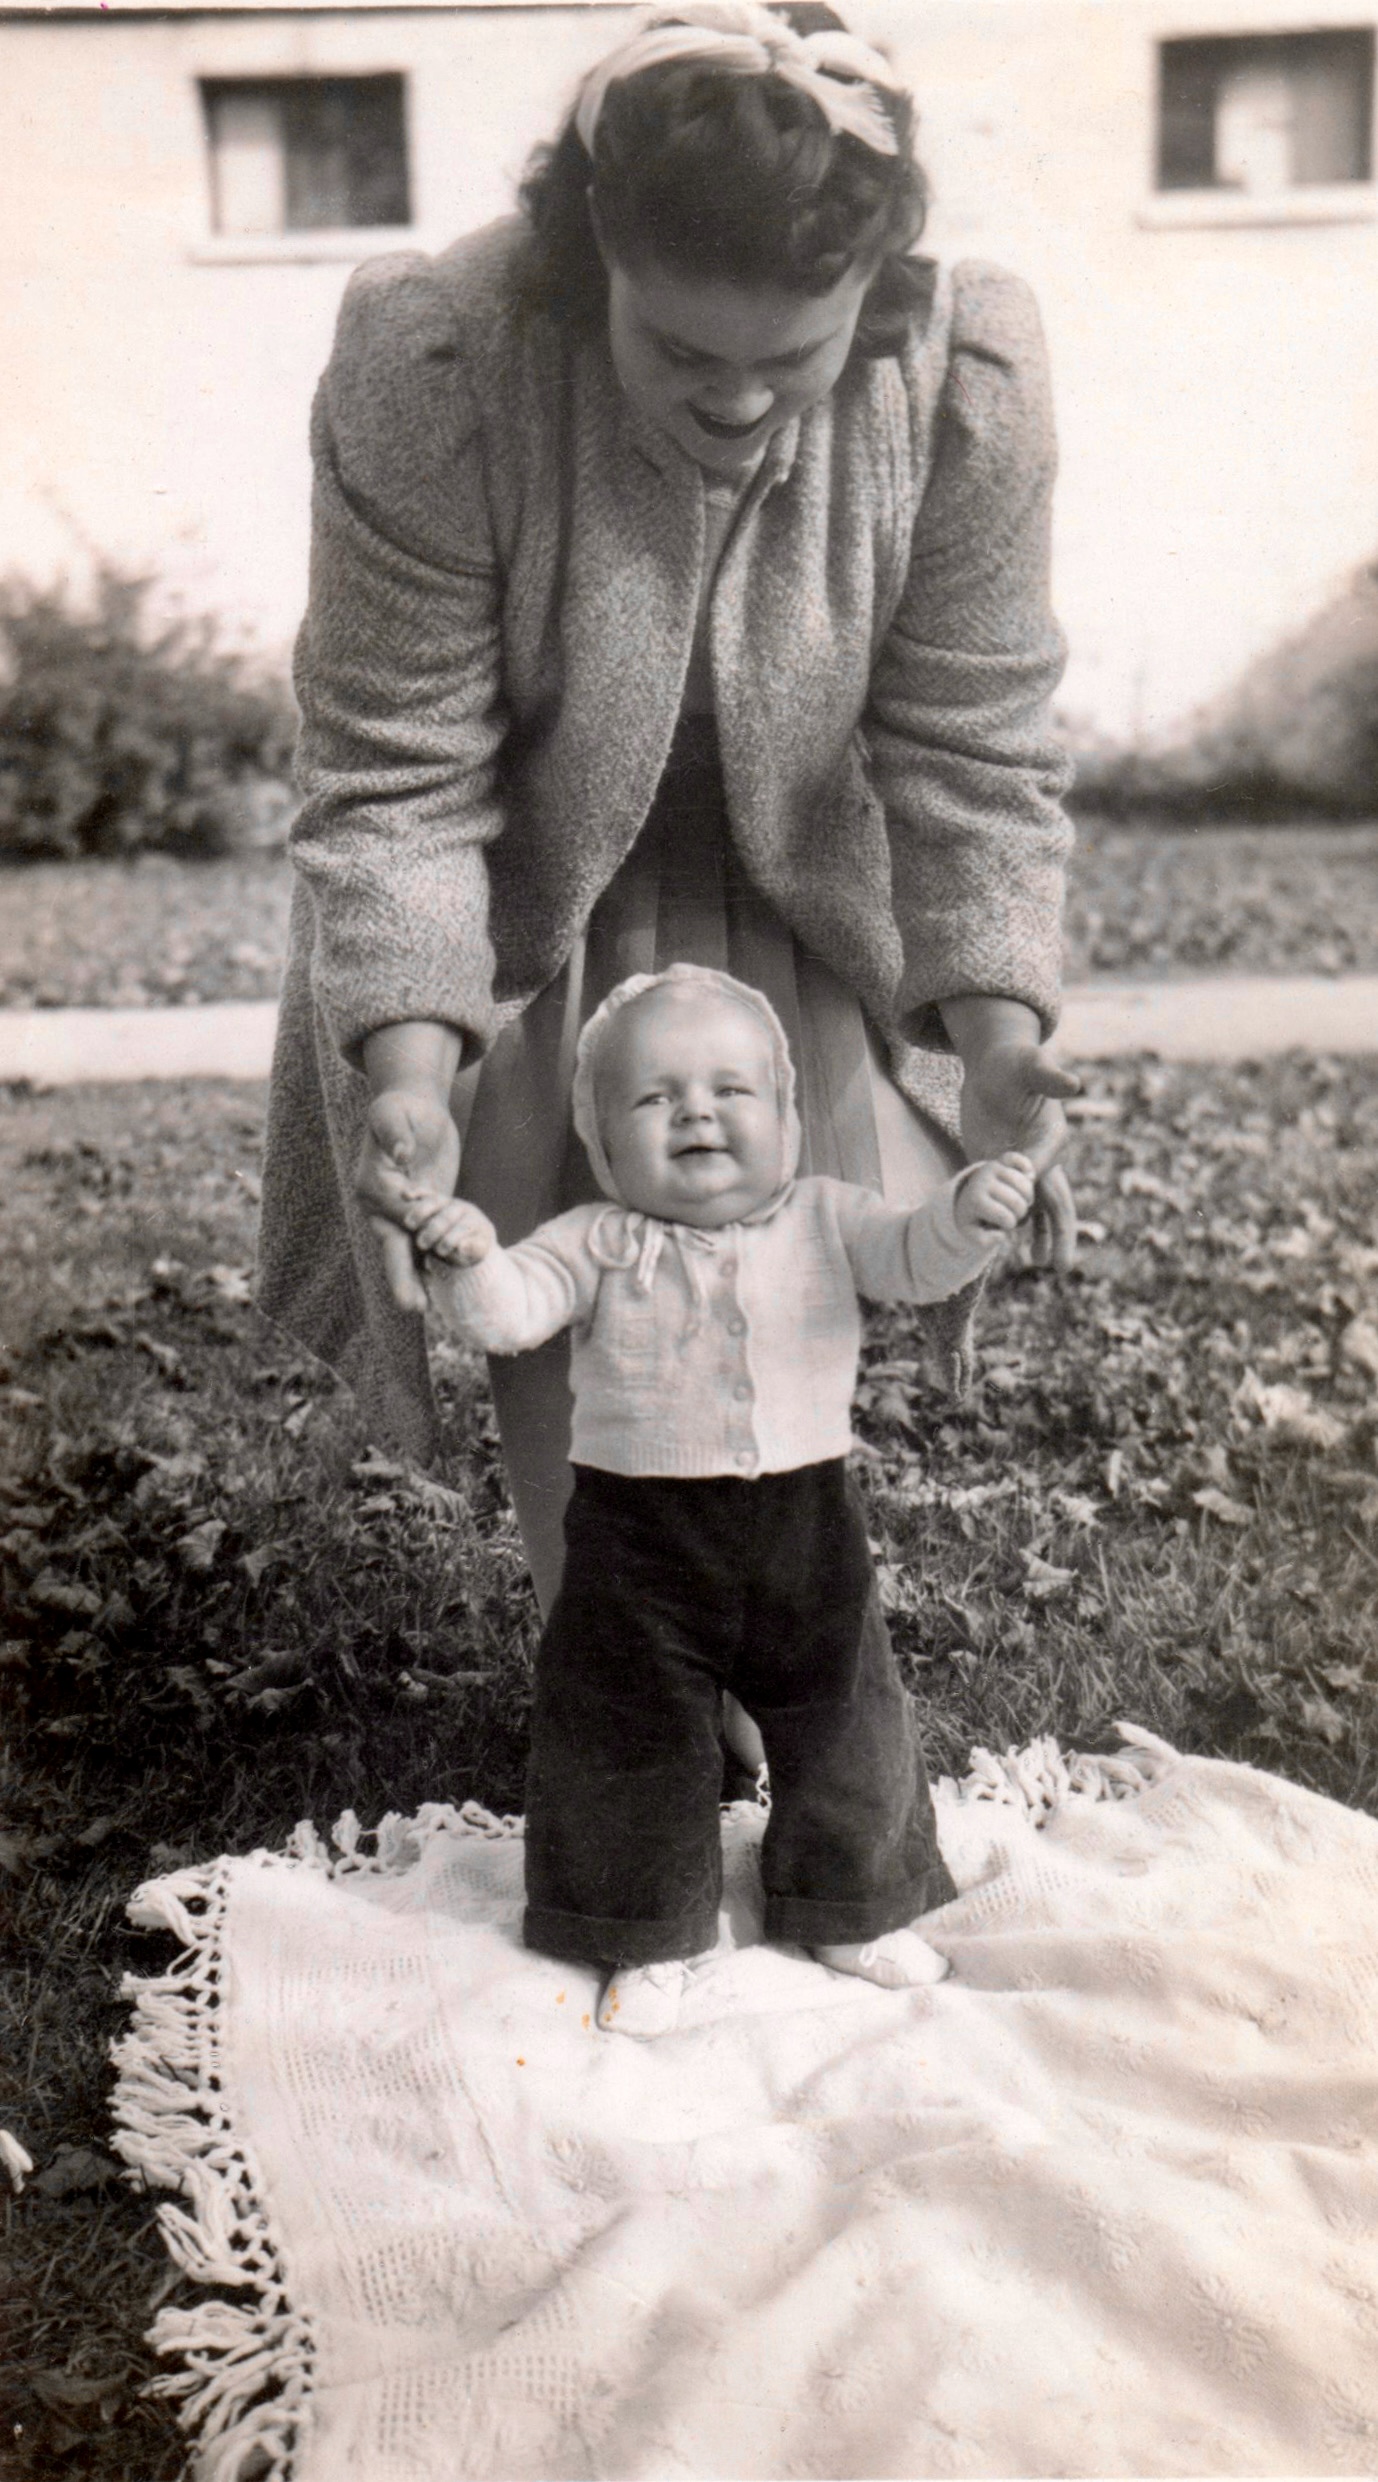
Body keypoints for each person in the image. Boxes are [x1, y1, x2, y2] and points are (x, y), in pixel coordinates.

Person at [256, 0, 1079, 1723]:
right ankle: (623, 1694)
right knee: (569, 1286)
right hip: (523, 896)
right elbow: (396, 772)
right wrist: (409, 1069)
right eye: (682, 350)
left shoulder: (964, 374)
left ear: (876, 290)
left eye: (790, 357)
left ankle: (782, 1678)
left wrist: (998, 1037)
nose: (737, 399)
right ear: (591, 259)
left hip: (790, 884)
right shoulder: (440, 358)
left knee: (769, 1283)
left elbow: (970, 739)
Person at [400, 964, 1037, 2034]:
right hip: (635, 1540)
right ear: (603, 1143)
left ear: (788, 1117)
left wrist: (966, 1215)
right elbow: (509, 1313)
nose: (696, 1111)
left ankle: (849, 1901)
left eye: (732, 1090)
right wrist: (468, 1259)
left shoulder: (830, 1218)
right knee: (625, 1730)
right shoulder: (595, 1239)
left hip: (804, 1524)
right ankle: (650, 1927)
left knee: (845, 1714)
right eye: (654, 1099)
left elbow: (915, 1258)